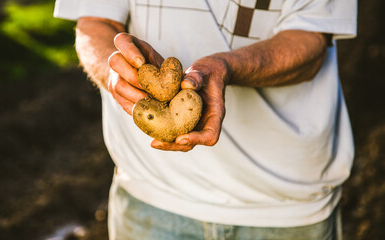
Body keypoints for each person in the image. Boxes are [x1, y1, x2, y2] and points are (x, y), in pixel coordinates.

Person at [54, 0, 357, 239]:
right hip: (148, 195)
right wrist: (114, 73)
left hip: (284, 208)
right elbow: (95, 22)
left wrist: (225, 67)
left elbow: (310, 39)